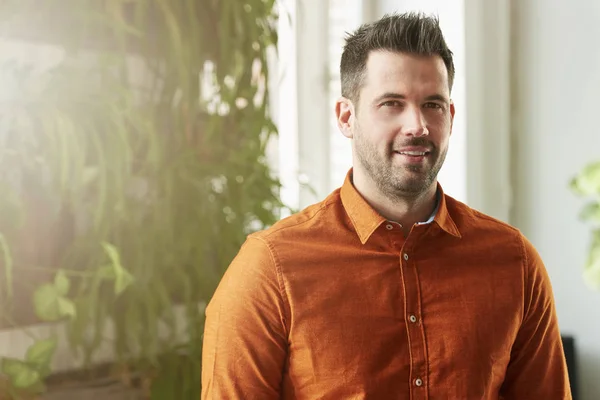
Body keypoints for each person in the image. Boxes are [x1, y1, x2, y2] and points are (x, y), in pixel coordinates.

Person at [201, 12, 572, 400]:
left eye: (433, 104)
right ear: (347, 117)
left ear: (451, 115)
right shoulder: (269, 269)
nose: (417, 126)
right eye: (392, 104)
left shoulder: (514, 262)